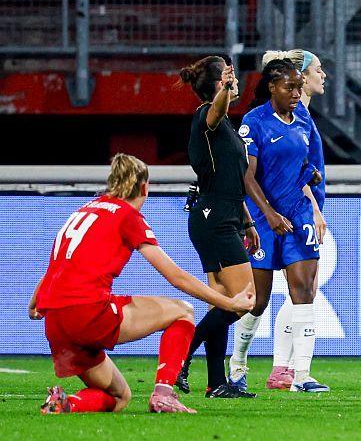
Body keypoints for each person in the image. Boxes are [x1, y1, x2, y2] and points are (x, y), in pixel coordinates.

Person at [30, 154, 255, 415]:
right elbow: (175, 276)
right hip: (87, 312)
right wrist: (229, 302)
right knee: (183, 311)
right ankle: (164, 394)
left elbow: (60, 263)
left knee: (119, 396)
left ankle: (65, 403)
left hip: (55, 321)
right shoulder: (127, 215)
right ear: (144, 187)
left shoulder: (85, 209)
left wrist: (36, 301)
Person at [228, 50, 328, 390]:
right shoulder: (253, 123)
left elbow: (306, 163)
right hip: (262, 218)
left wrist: (309, 176)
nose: (297, 95)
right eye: (290, 88)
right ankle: (238, 364)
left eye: (299, 88)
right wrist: (268, 215)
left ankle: (301, 375)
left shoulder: (303, 120)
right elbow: (247, 175)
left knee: (304, 291)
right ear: (272, 87)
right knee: (258, 301)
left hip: (297, 213)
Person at [175, 55, 260, 399]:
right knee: (246, 300)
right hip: (214, 219)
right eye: (228, 78)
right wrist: (224, 90)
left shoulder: (224, 127)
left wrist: (248, 221)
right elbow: (216, 110)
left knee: (222, 301)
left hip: (221, 215)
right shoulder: (208, 116)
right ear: (218, 84)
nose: (235, 82)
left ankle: (215, 383)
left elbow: (231, 180)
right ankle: (180, 357)